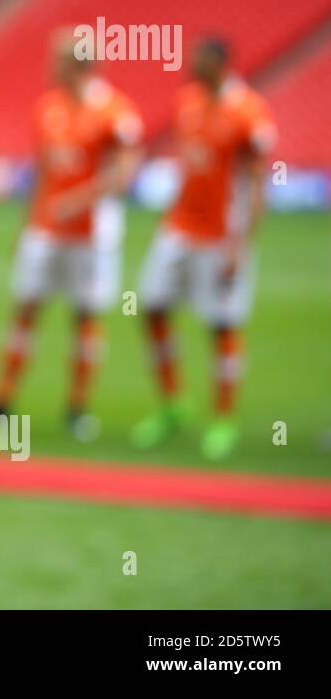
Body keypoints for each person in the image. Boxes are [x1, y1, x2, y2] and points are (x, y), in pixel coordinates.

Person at [0, 28, 144, 439]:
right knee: (25, 309)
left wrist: (81, 199)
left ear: (79, 64)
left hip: (92, 234)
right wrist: (25, 225)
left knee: (85, 314)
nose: (50, 68)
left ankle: (78, 407)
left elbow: (124, 173)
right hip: (45, 229)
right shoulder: (47, 108)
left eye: (57, 60)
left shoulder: (114, 111)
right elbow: (42, 173)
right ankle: (0, 402)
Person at [132, 37, 277, 460]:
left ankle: (223, 418)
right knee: (151, 307)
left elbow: (255, 185)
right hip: (179, 227)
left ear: (219, 63)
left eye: (199, 60)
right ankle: (174, 403)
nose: (191, 66)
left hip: (221, 235)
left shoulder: (248, 112)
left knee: (222, 325)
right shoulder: (187, 102)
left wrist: (241, 246)